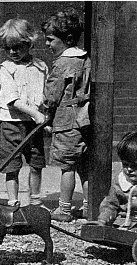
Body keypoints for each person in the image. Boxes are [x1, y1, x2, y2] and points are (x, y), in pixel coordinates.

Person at [0, 18, 48, 207]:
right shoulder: (6, 69)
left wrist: (45, 115)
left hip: (34, 125)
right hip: (11, 124)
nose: (13, 52)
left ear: (29, 43)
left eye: (17, 47)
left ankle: (35, 201)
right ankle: (13, 202)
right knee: (11, 166)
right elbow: (13, 101)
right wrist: (37, 114)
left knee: (36, 163)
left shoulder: (41, 67)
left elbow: (46, 94)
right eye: (8, 48)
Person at [41, 8, 91, 222]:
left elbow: (52, 95)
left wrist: (45, 112)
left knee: (67, 166)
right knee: (84, 166)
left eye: (50, 39)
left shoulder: (62, 63)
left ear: (67, 39)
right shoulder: (85, 58)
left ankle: (64, 209)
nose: (47, 44)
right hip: (84, 120)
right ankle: (90, 207)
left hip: (66, 122)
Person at [92, 131, 137, 229]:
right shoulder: (120, 182)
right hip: (122, 223)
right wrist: (104, 219)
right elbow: (110, 205)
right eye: (125, 164)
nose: (129, 169)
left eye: (135, 166)